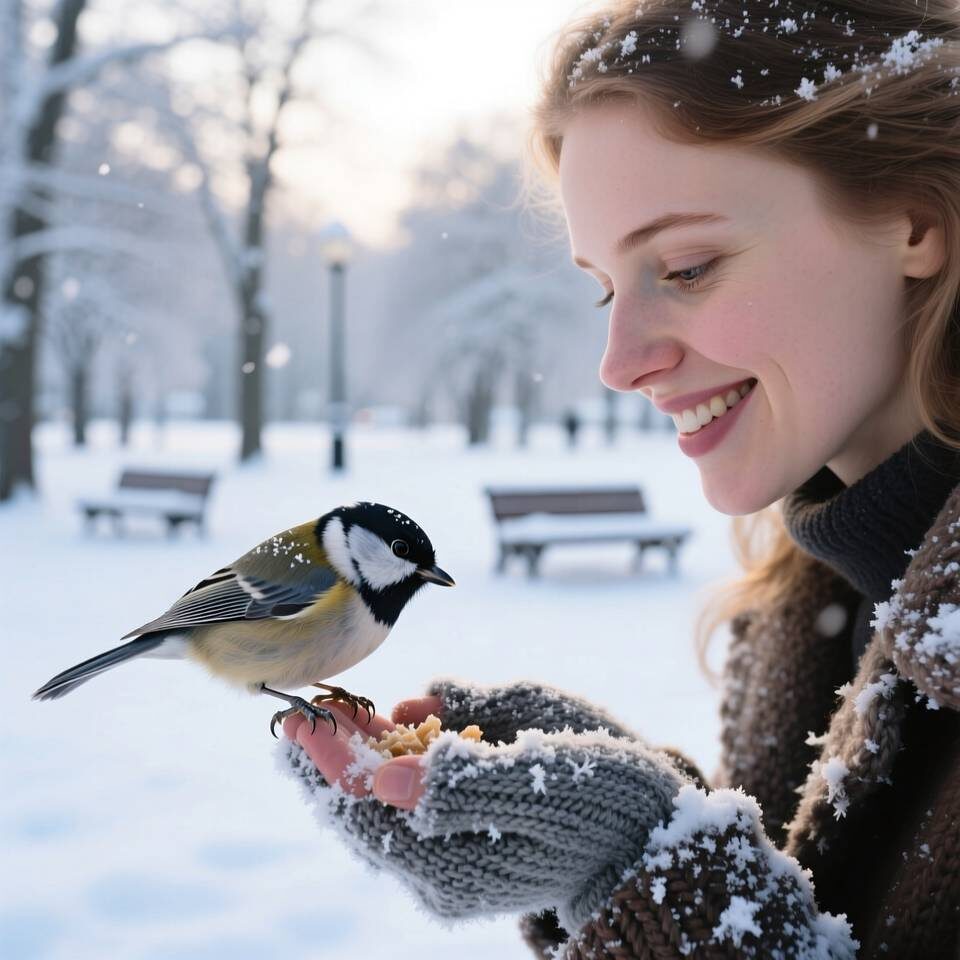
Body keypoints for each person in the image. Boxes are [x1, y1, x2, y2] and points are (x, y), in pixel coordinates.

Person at [277, 2, 960, 956]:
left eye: (685, 267)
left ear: (914, 221)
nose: (618, 360)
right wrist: (643, 820)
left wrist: (638, 855)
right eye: (604, 286)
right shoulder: (802, 612)